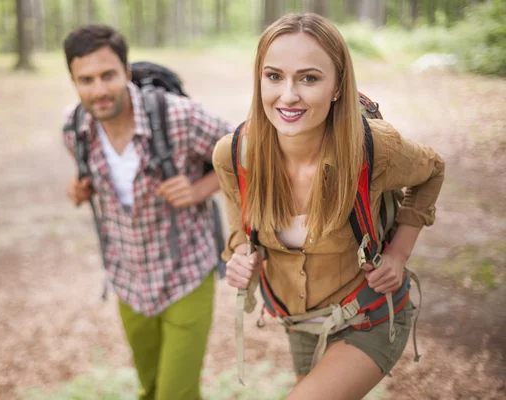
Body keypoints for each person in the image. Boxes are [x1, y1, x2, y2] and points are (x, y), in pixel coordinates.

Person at [213, 13, 445, 400]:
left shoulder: (374, 147)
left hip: (371, 314)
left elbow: (433, 170)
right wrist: (239, 254)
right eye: (274, 76)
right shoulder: (235, 153)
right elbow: (241, 227)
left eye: (309, 78)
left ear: (338, 86)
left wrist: (398, 254)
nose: (288, 95)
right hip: (300, 326)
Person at [61, 25, 233, 400]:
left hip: (186, 271)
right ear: (74, 81)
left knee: (176, 394)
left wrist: (199, 190)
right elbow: (94, 177)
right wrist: (80, 188)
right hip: (128, 279)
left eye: (108, 75)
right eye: (85, 80)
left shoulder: (178, 117)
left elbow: (245, 150)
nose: (99, 90)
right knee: (150, 388)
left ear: (126, 71)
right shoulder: (75, 127)